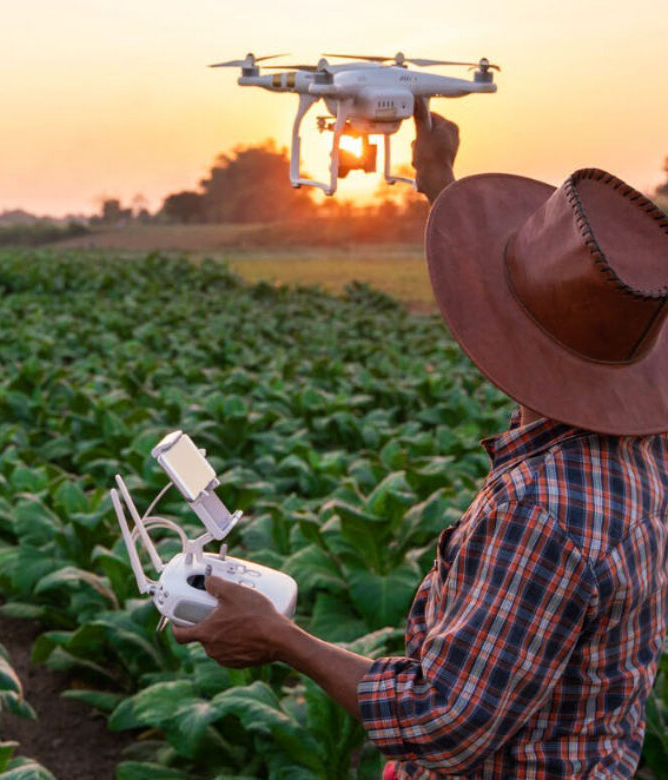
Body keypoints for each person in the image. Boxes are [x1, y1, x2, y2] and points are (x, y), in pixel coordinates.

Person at [173, 100, 668, 777]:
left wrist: (278, 638)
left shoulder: (540, 508)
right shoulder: (645, 447)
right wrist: (441, 179)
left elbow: (440, 722)